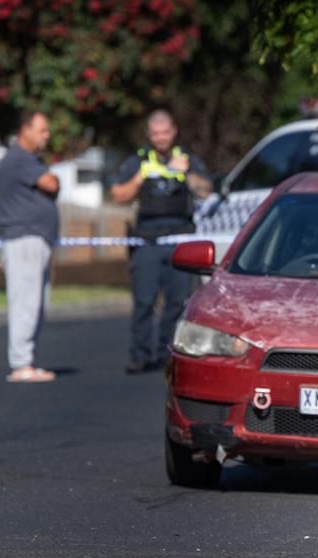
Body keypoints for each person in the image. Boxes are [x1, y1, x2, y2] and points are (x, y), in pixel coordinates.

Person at [110, 109, 212, 374]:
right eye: (156, 133)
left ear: (174, 131)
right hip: (147, 241)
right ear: (149, 134)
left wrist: (187, 172)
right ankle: (140, 355)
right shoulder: (139, 162)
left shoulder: (186, 159)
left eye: (165, 132)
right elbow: (118, 195)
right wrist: (141, 177)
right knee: (144, 301)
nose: (161, 138)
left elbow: (205, 191)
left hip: (180, 239)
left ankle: (168, 354)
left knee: (178, 303)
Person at [0, 110, 60, 383]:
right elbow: (52, 183)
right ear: (26, 131)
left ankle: (26, 361)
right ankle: (21, 363)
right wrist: (54, 180)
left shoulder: (30, 159)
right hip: (24, 239)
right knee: (25, 301)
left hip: (35, 238)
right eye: (42, 130)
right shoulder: (19, 158)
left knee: (36, 302)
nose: (47, 135)